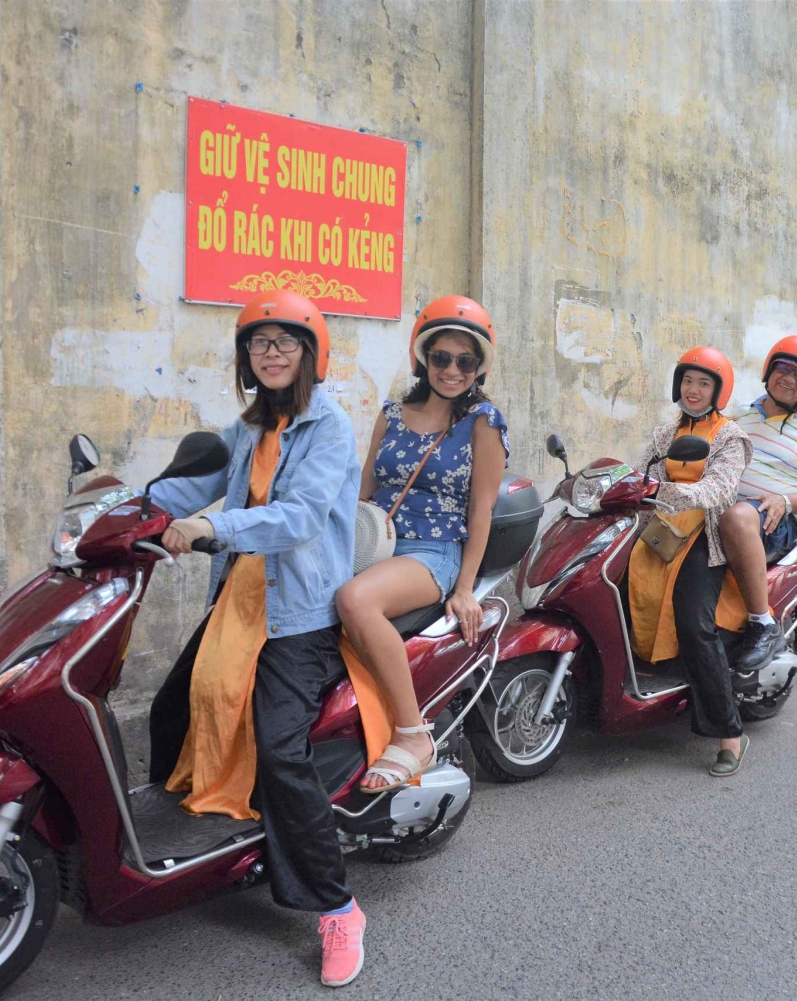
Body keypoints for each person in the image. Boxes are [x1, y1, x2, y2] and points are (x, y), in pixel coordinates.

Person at [145, 289, 368, 987]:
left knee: (280, 750)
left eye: (284, 342)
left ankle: (337, 908)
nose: (270, 352)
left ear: (309, 354)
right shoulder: (248, 428)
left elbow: (298, 517)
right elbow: (195, 484)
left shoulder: (327, 427)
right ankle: (201, 849)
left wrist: (217, 528)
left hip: (299, 615)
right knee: (170, 709)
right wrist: (132, 508)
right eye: (258, 342)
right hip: (241, 599)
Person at [335, 295, 508, 793]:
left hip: (431, 552)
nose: (452, 370)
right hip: (374, 543)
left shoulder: (483, 423)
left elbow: (482, 510)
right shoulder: (391, 414)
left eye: (465, 361)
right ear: (423, 359)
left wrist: (466, 587)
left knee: (355, 600)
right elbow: (363, 493)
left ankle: (413, 735)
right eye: (441, 358)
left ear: (478, 368)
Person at [629, 347, 753, 776]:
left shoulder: (730, 436)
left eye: (704, 383)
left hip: (706, 535)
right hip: (663, 532)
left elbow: (720, 489)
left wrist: (674, 494)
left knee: (694, 622)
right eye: (688, 380)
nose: (693, 390)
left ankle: (730, 734)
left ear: (719, 390)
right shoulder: (667, 433)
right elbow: (641, 472)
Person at [718, 335, 797, 672]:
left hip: (773, 521)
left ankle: (763, 624)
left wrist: (784, 500)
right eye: (784, 369)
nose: (789, 379)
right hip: (725, 514)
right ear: (769, 372)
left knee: (739, 516)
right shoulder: (739, 415)